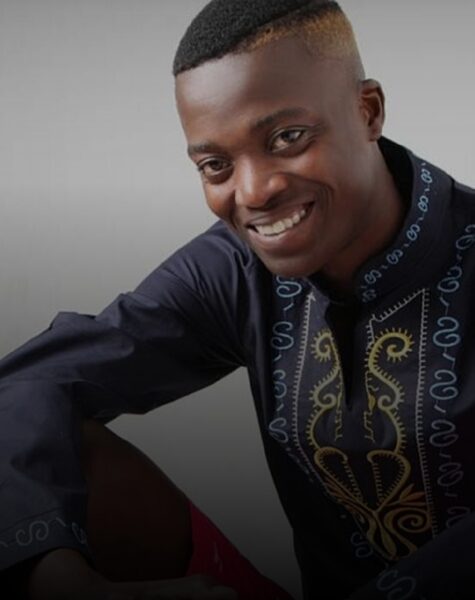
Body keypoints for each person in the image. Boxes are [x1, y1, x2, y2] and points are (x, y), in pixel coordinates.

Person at [1, 0, 474, 598]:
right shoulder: (236, 268)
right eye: (216, 165)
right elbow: (28, 386)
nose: (253, 192)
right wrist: (60, 580)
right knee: (49, 437)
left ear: (368, 111)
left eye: (287, 137)